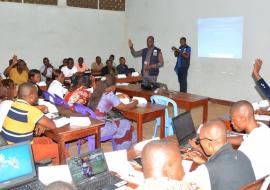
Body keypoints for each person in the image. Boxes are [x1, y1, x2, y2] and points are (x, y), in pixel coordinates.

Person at [184, 119, 255, 190]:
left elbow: (184, 185)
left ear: (209, 144)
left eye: (199, 140)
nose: (199, 143)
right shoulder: (242, 155)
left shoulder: (205, 171)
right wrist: (205, 162)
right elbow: (224, 168)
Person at [1, 82, 59, 164]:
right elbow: (52, 125)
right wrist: (42, 122)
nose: (38, 96)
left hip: (10, 146)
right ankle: (64, 172)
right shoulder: (32, 111)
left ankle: (56, 165)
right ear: (31, 97)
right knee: (58, 149)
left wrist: (39, 123)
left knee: (47, 140)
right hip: (22, 151)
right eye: (36, 94)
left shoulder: (15, 104)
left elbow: (26, 120)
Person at [88, 75, 138, 150]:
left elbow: (98, 91)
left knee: (118, 121)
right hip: (100, 130)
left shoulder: (96, 91)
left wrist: (93, 82)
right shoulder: (110, 96)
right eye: (115, 85)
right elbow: (125, 107)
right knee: (126, 123)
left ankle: (133, 142)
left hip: (89, 128)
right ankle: (124, 149)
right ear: (112, 86)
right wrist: (136, 102)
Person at [230, 100, 270, 179]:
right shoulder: (263, 128)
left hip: (253, 184)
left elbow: (231, 171)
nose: (231, 122)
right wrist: (221, 138)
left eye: (233, 119)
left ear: (243, 118)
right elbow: (243, 138)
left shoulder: (247, 147)